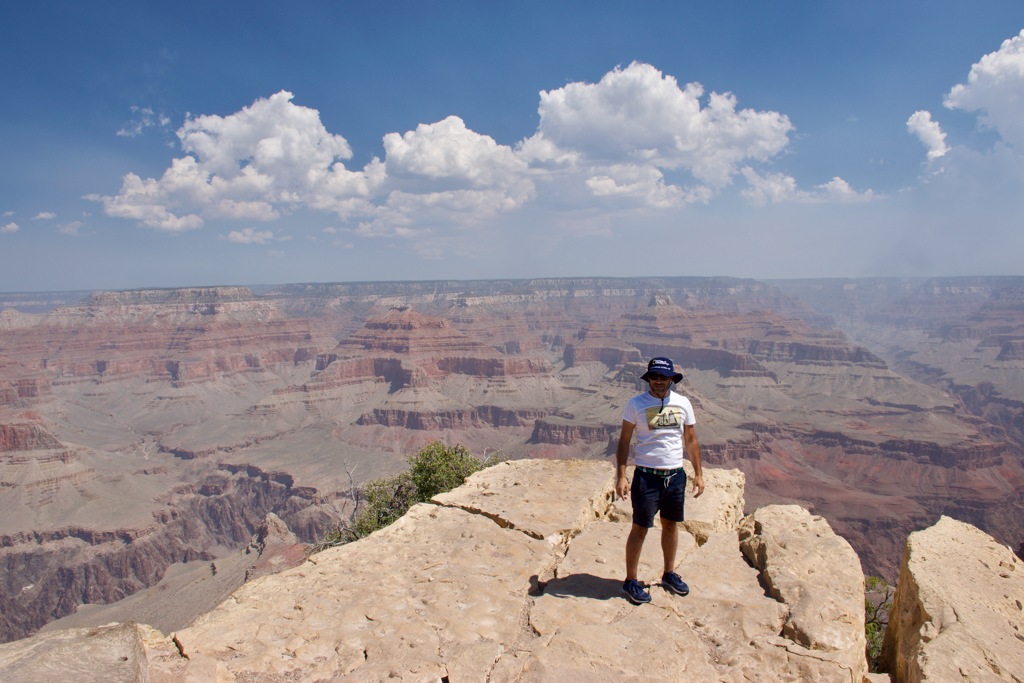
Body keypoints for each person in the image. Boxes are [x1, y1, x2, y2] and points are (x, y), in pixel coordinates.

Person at [615, 356, 705, 604]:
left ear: (671, 379)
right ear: (648, 378)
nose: (658, 381)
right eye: (654, 376)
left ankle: (668, 573)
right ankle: (630, 581)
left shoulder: (683, 403)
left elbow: (691, 440)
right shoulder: (635, 404)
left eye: (663, 377)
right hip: (646, 476)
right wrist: (621, 475)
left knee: (671, 525)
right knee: (639, 528)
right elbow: (624, 441)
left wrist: (698, 473)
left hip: (675, 476)